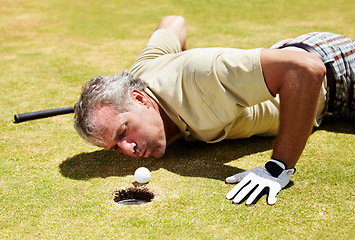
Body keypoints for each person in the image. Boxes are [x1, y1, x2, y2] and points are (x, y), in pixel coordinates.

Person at [74, 16, 355, 206]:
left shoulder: (202, 77)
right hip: (305, 67)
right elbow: (173, 22)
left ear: (140, 99)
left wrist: (277, 167)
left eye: (123, 131)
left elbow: (306, 69)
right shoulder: (141, 73)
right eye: (115, 147)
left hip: (337, 69)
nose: (128, 149)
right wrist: (177, 57)